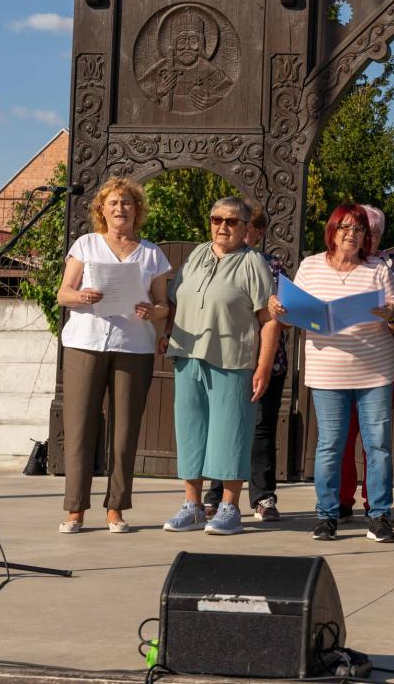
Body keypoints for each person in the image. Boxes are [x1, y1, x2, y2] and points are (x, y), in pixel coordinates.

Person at [269, 204, 394, 543]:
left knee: (378, 446)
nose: (351, 234)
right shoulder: (311, 266)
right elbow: (290, 316)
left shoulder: (377, 268)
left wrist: (391, 314)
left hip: (374, 371)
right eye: (345, 227)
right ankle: (327, 516)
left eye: (358, 229)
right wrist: (279, 309)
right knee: (330, 445)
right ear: (332, 231)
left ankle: (380, 516)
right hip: (327, 372)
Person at [56, 177, 170, 534]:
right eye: (113, 203)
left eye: (127, 202)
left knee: (125, 431)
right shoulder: (86, 245)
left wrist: (152, 312)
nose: (120, 208)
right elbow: (63, 293)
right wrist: (82, 296)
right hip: (85, 343)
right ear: (101, 210)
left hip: (133, 347)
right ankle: (75, 509)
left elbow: (164, 305)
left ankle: (116, 508)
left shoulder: (152, 253)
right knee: (79, 428)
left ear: (137, 209)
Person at [160, 197, 277, 536]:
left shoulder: (253, 262)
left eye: (231, 221)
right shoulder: (197, 254)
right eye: (216, 220)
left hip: (232, 360)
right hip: (187, 356)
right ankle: (192, 505)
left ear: (245, 227)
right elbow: (173, 300)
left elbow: (269, 320)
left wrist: (264, 367)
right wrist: (163, 332)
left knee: (230, 433)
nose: (222, 227)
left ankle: (229, 507)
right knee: (190, 431)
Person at [203, 204, 288, 522]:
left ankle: (263, 498)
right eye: (224, 222)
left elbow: (286, 316)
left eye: (244, 226)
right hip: (225, 359)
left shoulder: (272, 265)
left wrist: (281, 311)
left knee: (261, 430)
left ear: (258, 232)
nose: (233, 229)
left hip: (267, 361)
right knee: (221, 427)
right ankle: (215, 495)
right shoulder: (212, 261)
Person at [335, 205, 394, 524]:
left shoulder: (392, 264)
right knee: (341, 436)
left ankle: (374, 503)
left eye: (374, 233)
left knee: (374, 437)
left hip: (380, 364)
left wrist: (385, 313)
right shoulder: (333, 262)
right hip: (338, 363)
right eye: (361, 231)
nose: (367, 238)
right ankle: (341, 500)